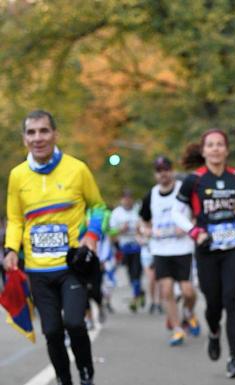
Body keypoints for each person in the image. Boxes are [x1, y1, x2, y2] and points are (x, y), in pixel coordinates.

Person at [3, 110, 106, 385]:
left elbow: (98, 206)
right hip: (38, 271)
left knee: (74, 322)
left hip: (70, 267)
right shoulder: (17, 176)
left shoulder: (77, 169)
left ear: (55, 134)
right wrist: (10, 249)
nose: (38, 138)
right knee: (51, 331)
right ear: (24, 139)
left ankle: (86, 373)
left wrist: (93, 234)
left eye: (44, 131)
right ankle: (64, 379)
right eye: (32, 132)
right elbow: (15, 219)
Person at [173, 129, 235, 378]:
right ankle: (213, 332)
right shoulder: (194, 180)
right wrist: (194, 231)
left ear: (227, 150)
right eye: (210, 145)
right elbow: (177, 212)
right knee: (213, 304)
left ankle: (233, 359)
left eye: (220, 144)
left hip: (232, 248)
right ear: (203, 151)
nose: (216, 149)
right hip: (206, 249)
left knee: (232, 299)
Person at [139, 155, 200, 346]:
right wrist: (146, 230)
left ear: (171, 171)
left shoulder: (183, 190)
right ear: (155, 174)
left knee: (188, 291)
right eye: (159, 171)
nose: (163, 174)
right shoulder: (152, 195)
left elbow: (198, 214)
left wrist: (189, 227)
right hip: (161, 249)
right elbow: (143, 220)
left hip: (183, 248)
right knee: (166, 291)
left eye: (165, 169)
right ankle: (177, 329)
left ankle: (188, 313)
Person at [109, 189, 144, 312]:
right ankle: (140, 292)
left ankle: (135, 298)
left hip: (138, 246)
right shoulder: (116, 213)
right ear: (121, 199)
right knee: (130, 274)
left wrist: (140, 230)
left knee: (137, 272)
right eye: (125, 198)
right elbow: (111, 233)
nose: (127, 200)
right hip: (124, 247)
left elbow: (145, 226)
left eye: (129, 198)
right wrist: (120, 230)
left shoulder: (137, 211)